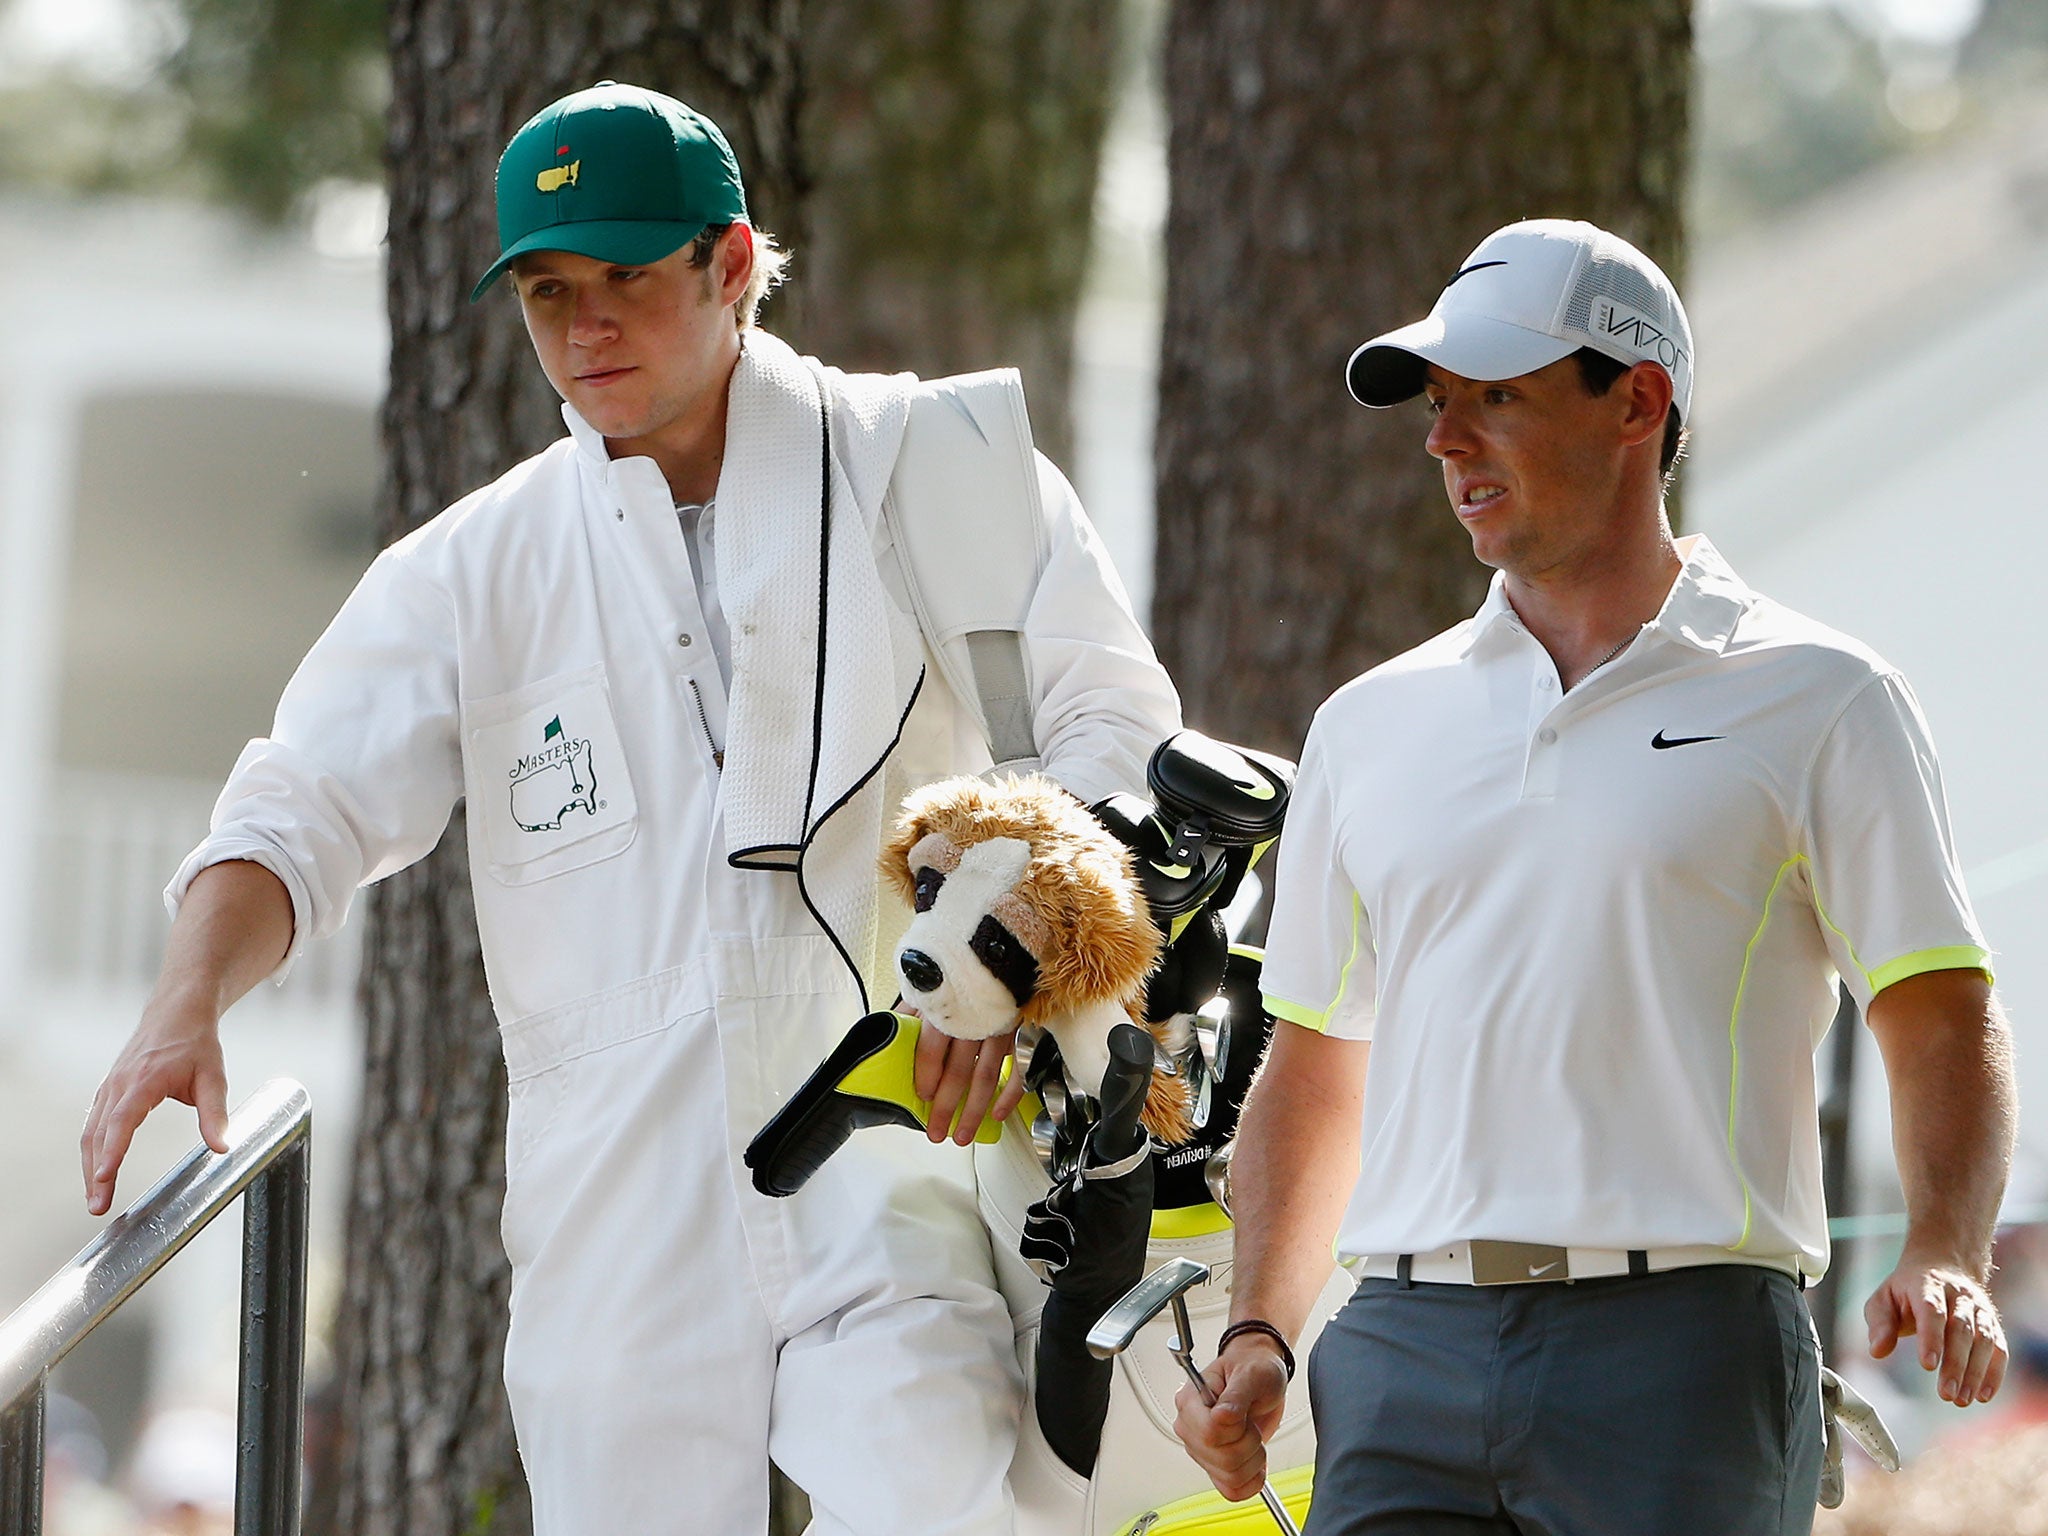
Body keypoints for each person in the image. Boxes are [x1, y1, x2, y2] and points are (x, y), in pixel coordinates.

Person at [78, 82, 1180, 1534]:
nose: (585, 327)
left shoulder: (938, 462)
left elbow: (1118, 734)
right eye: (547, 292)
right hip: (614, 1211)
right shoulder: (470, 570)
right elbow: (299, 806)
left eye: (626, 282)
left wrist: (1018, 966)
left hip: (897, 1141)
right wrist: (183, 1005)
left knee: (938, 1507)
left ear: (732, 265)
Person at [1173, 218, 2015, 1535]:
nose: (1447, 442)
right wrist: (1263, 1332)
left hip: (1679, 1359)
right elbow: (1318, 1060)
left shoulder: (1822, 698)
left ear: (1639, 399)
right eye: (1440, 409)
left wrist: (1947, 1253)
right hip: (1397, 1356)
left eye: (1495, 398)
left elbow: (1938, 1009)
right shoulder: (1368, 723)